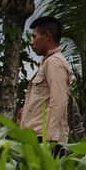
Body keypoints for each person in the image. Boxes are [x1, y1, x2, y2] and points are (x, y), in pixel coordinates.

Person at [18, 15, 74, 143]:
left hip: (45, 140)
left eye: (34, 37)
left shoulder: (54, 63)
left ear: (47, 36)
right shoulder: (47, 63)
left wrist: (48, 139)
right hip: (36, 138)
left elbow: (58, 102)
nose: (31, 42)